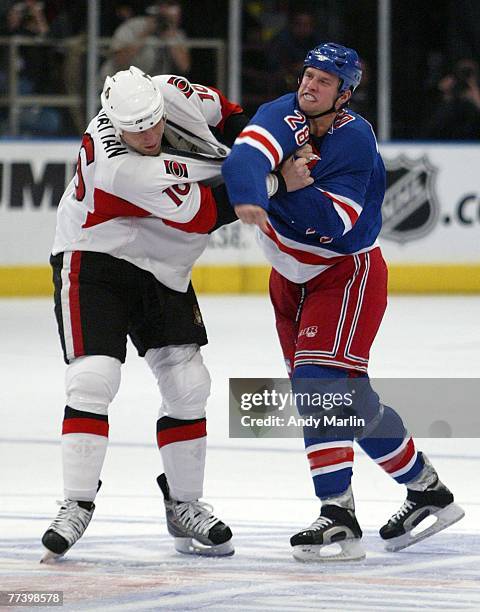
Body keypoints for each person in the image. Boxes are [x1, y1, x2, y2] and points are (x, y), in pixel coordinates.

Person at [41, 66, 310, 563]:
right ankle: (76, 502)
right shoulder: (120, 166)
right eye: (134, 127)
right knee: (93, 378)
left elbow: (231, 117)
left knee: (189, 385)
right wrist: (276, 179)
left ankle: (184, 504)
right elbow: (207, 213)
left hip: (165, 264)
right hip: (96, 257)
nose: (147, 134)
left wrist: (266, 148)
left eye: (153, 121)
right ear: (111, 120)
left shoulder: (171, 90)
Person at [222, 42, 465, 562]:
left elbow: (333, 224)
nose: (309, 86)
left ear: (345, 94)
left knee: (317, 389)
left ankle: (337, 514)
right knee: (343, 402)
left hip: (344, 273)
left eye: (324, 81)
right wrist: (255, 188)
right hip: (289, 278)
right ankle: (427, 490)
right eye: (307, 75)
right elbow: (244, 158)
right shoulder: (283, 114)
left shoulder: (354, 140)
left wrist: (279, 188)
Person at [99, 0, 190, 85]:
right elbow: (119, 61)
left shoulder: (176, 34)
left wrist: (169, 37)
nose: (165, 12)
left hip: (149, 87)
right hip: (117, 83)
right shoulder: (133, 26)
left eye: (171, 6)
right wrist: (145, 33)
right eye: (162, 6)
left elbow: (184, 67)